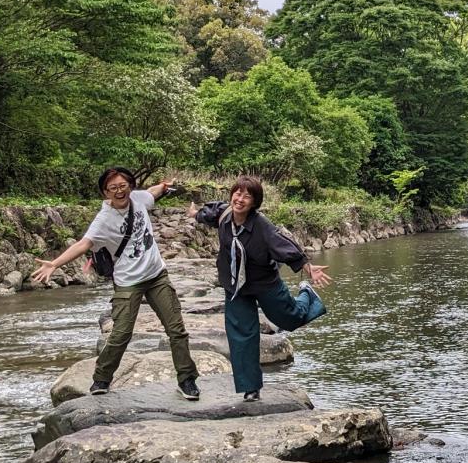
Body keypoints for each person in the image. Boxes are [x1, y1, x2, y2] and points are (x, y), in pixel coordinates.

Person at [31, 166, 201, 400]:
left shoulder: (138, 198)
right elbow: (83, 244)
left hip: (156, 276)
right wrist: (54, 264)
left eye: (123, 186)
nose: (119, 191)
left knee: (176, 330)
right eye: (113, 188)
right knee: (120, 333)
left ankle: (187, 379)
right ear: (105, 192)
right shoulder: (103, 220)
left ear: (130, 186)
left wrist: (163, 186)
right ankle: (101, 379)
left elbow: (152, 192)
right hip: (128, 282)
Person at [188, 175, 331, 401]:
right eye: (238, 193)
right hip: (235, 285)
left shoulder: (262, 226)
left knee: (290, 319)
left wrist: (307, 267)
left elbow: (285, 246)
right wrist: (195, 214)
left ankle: (307, 294)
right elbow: (208, 213)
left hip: (264, 282)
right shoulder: (225, 214)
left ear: (254, 203)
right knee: (241, 335)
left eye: (247, 196)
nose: (240, 199)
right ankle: (251, 389)